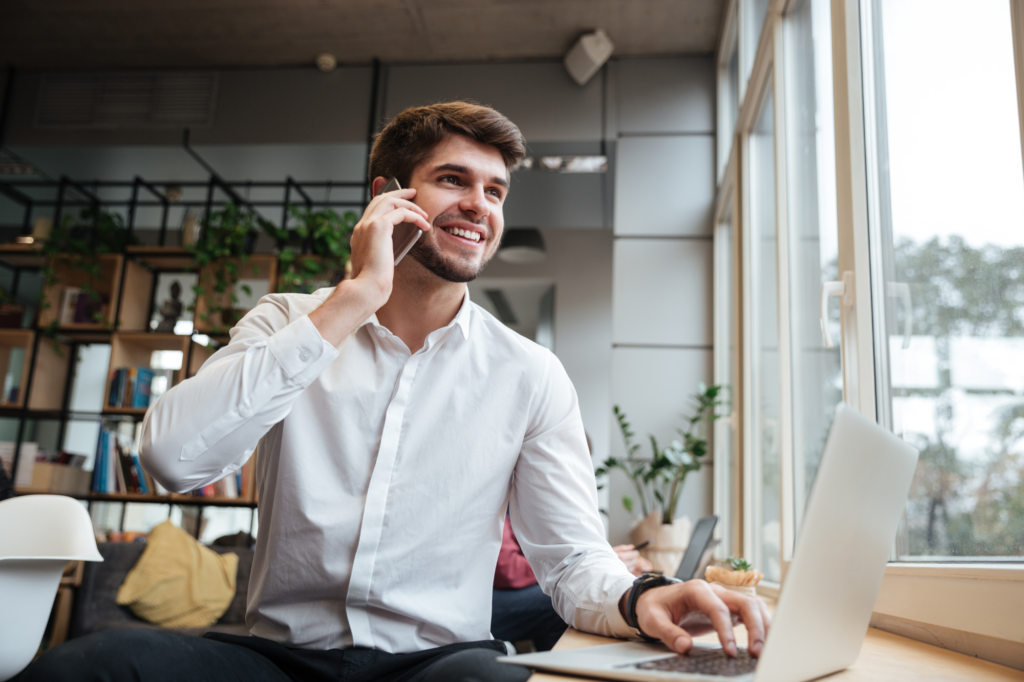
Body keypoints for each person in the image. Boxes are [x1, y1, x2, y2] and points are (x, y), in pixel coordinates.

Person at [19, 102, 769, 682]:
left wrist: (645, 599)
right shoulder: (290, 321)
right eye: (454, 180)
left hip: (437, 662)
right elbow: (173, 460)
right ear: (388, 196)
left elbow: (571, 561)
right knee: (86, 668)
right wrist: (355, 297)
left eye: (496, 190)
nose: (481, 204)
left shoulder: (529, 375)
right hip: (280, 659)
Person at [492, 513, 653, 652]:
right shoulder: (498, 495)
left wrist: (607, 562)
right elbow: (508, 569)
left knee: (561, 593)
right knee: (559, 598)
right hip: (486, 600)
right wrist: (557, 566)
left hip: (498, 592)